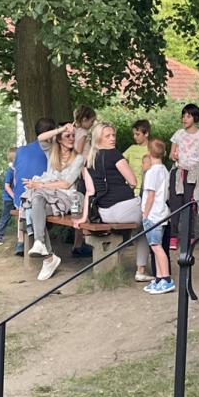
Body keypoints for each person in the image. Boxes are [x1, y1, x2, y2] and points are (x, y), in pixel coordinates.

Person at [81, 121, 151, 282]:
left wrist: (84, 218)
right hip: (125, 209)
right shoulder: (114, 154)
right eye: (108, 136)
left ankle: (123, 259)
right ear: (98, 138)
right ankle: (141, 270)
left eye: (113, 135)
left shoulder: (89, 161)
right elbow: (133, 181)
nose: (112, 139)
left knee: (139, 224)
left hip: (105, 213)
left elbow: (90, 192)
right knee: (150, 222)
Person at [21, 123, 84, 281]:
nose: (71, 138)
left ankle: (46, 254)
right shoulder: (52, 153)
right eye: (67, 136)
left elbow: (66, 184)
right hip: (47, 196)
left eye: (73, 135)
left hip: (65, 198)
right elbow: (41, 138)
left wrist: (40, 185)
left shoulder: (78, 158)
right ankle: (46, 253)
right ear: (59, 139)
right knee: (36, 203)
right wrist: (61, 129)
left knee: (34, 203)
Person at [168, 103, 199, 251]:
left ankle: (190, 235)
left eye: (188, 116)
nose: (184, 119)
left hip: (193, 174)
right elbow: (171, 154)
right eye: (183, 116)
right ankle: (173, 236)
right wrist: (174, 156)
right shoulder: (178, 134)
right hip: (178, 172)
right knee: (175, 204)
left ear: (195, 118)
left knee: (191, 204)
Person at [12, 117, 56, 256]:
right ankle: (44, 249)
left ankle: (21, 241)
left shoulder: (20, 150)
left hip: (18, 198)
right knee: (39, 203)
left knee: (28, 202)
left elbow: (15, 176)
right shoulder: (50, 151)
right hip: (34, 194)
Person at [141, 140, 175, 295]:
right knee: (157, 246)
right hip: (162, 212)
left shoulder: (151, 172)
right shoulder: (164, 170)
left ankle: (166, 279)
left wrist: (145, 214)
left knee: (156, 246)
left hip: (153, 215)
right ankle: (159, 278)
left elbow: (150, 195)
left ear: (149, 152)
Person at [72, 106, 97, 258]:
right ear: (85, 119)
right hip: (84, 170)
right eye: (91, 121)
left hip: (79, 171)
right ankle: (81, 244)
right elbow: (79, 152)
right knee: (86, 206)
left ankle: (78, 244)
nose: (92, 124)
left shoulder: (74, 131)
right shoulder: (83, 133)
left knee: (80, 207)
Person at [0, 147, 17, 246]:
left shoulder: (18, 170)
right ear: (13, 159)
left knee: (22, 216)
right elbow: (7, 186)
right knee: (5, 217)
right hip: (9, 199)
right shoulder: (10, 171)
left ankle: (21, 236)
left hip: (16, 198)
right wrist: (14, 197)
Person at [123, 119, 151, 195]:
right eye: (134, 134)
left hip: (146, 190)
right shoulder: (132, 148)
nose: (134, 137)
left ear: (146, 134)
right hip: (130, 190)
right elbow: (121, 162)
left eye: (137, 134)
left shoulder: (152, 149)